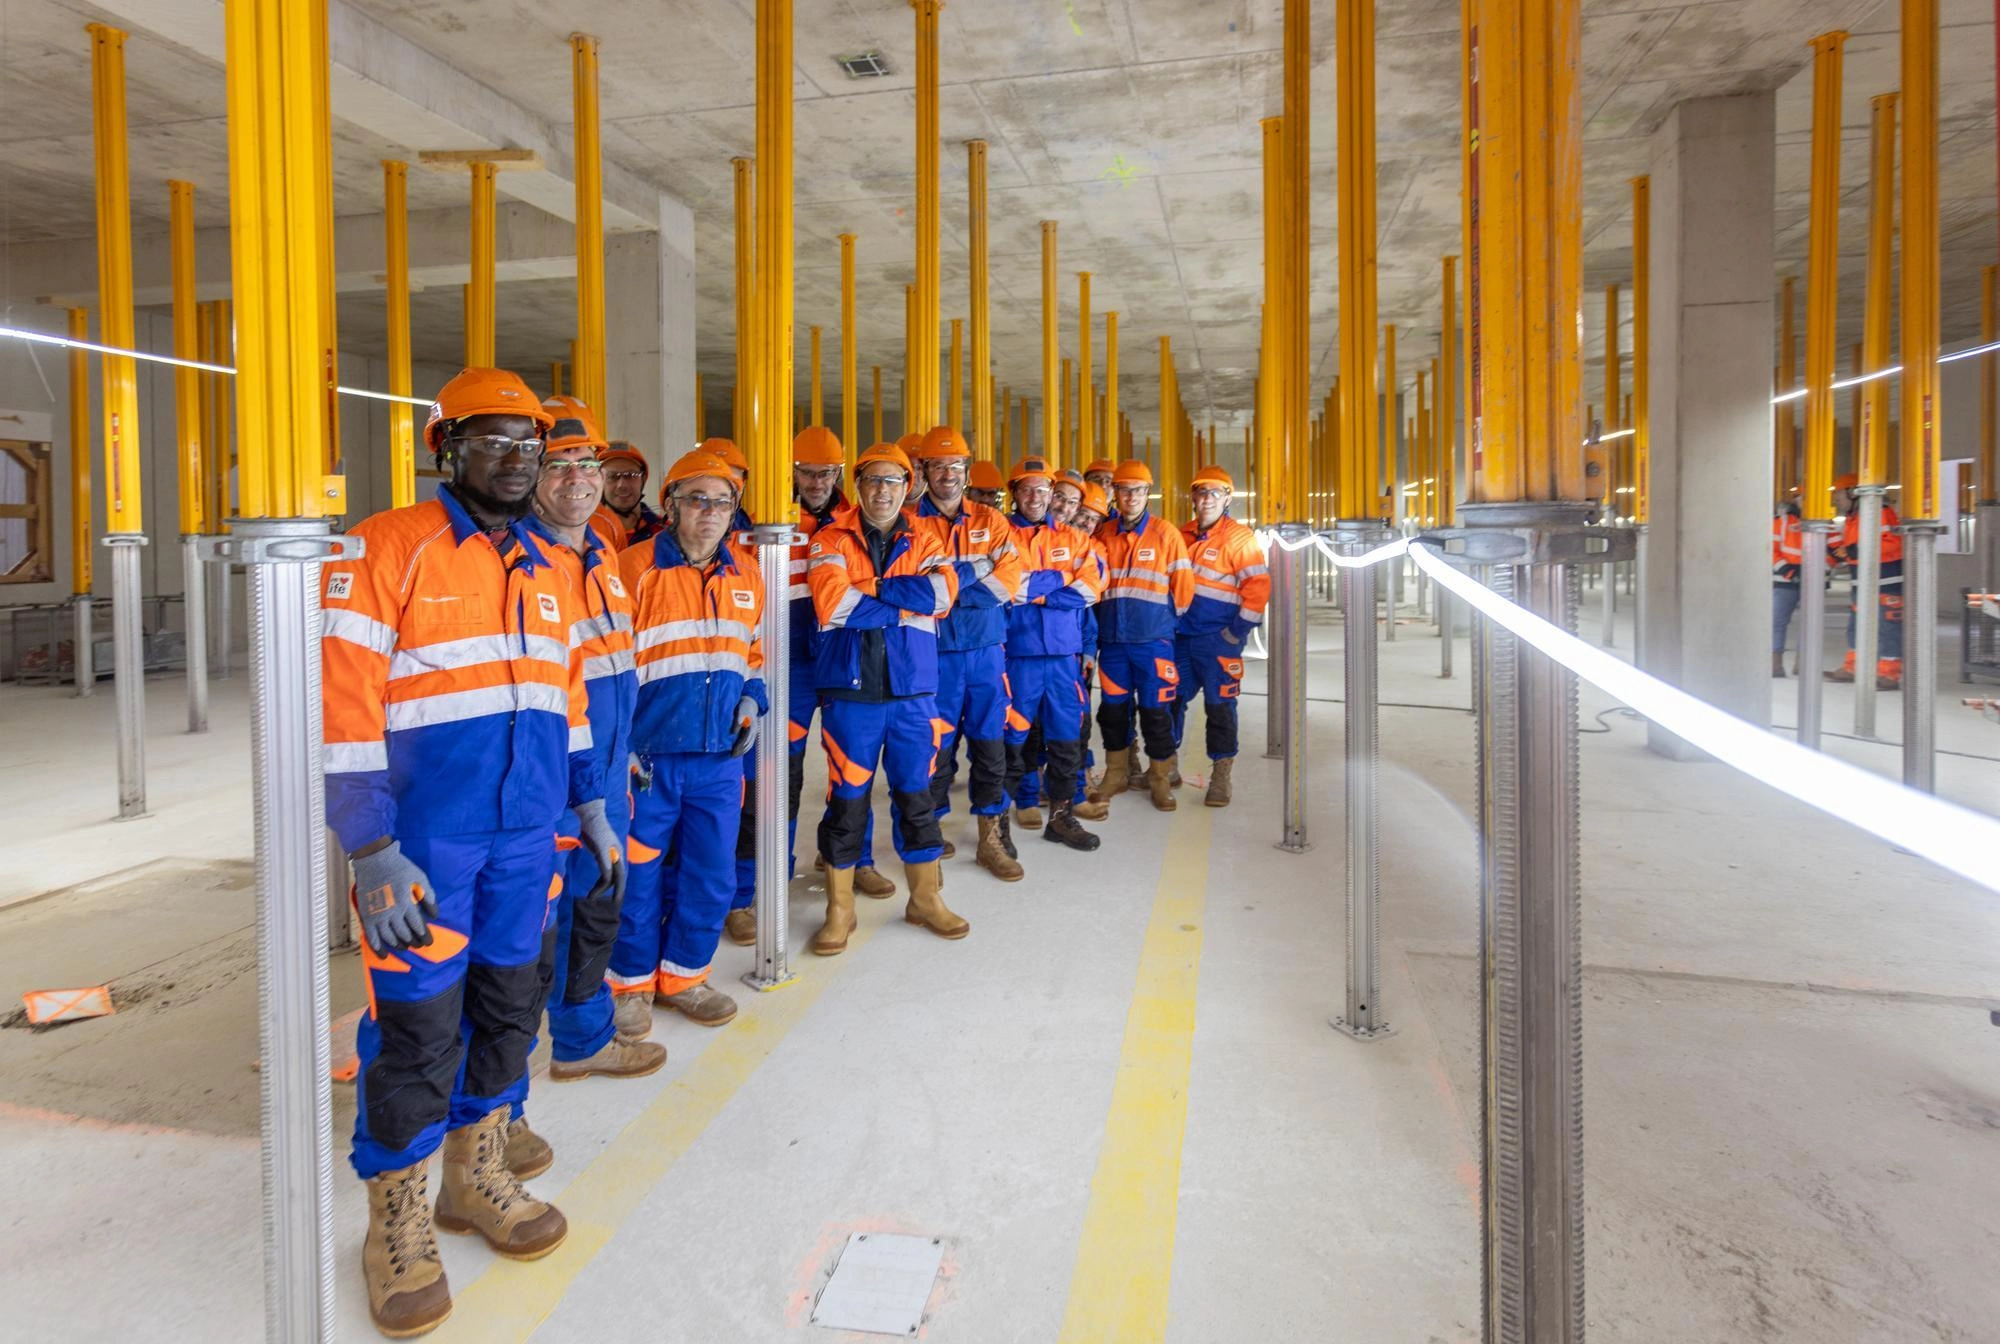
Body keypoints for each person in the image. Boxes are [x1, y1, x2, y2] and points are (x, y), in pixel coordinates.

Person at [323, 368, 617, 1335]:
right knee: (415, 1030)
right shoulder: (387, 546)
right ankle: (397, 1222)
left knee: (508, 1006)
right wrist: (369, 844)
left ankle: (475, 1175)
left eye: (529, 446)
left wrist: (589, 801)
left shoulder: (547, 564)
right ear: (444, 450)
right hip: (424, 849)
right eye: (491, 442)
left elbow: (568, 695)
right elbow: (341, 706)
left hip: (527, 838)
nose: (515, 461)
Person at [519, 399, 665, 1106]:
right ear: (530, 474)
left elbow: (613, 666)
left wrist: (624, 746)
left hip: (606, 770)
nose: (577, 478)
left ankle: (581, 1039)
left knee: (598, 902)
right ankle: (498, 1100)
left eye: (587, 463)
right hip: (543, 779)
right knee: (529, 935)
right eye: (559, 464)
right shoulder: (516, 558)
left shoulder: (602, 555)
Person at [611, 449, 768, 1033]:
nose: (710, 511)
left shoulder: (746, 575)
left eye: (722, 502)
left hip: (718, 759)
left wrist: (752, 697)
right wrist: (617, 743)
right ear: (671, 505)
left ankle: (685, 977)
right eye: (696, 499)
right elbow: (604, 667)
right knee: (638, 873)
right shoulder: (631, 570)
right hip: (646, 758)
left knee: (711, 872)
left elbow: (753, 652)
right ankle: (629, 985)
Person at [722, 426, 897, 948]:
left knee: (852, 766)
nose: (817, 482)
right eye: (807, 472)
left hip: (846, 659)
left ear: (840, 474)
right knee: (776, 773)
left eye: (826, 473)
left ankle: (853, 858)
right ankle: (752, 889)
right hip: (788, 665)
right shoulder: (768, 519)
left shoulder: (854, 520)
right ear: (791, 472)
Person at [804, 442, 969, 954]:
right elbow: (833, 604)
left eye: (892, 481)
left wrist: (870, 587)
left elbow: (941, 596)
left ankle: (926, 899)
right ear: (857, 486)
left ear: (907, 487)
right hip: (850, 694)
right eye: (872, 480)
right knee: (847, 803)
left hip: (912, 693)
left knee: (917, 799)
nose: (882, 490)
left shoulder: (926, 538)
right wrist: (902, 602)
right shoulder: (830, 538)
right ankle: (840, 909)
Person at [912, 425, 1027, 879]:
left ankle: (990, 838)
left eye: (955, 466)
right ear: (924, 470)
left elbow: (1009, 583)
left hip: (985, 651)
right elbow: (913, 590)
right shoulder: (909, 522)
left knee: (990, 744)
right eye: (938, 466)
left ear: (967, 469)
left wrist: (945, 590)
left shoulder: (991, 521)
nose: (947, 475)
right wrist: (977, 570)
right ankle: (929, 835)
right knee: (933, 748)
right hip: (931, 654)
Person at [1002, 456, 1103, 851]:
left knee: (1066, 740)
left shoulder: (1075, 539)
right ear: (1014, 493)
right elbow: (1007, 588)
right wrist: (1062, 579)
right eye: (1026, 489)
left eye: (1042, 489)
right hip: (1016, 656)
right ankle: (996, 826)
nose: (1035, 497)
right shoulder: (1000, 535)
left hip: (1063, 659)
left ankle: (1061, 818)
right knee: (1009, 741)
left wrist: (1036, 591)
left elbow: (1091, 588)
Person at [1092, 459, 1193, 811]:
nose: (1131, 496)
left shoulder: (1166, 534)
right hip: (1113, 644)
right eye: (1124, 490)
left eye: (1137, 490)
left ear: (1148, 493)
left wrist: (1164, 628)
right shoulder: (1103, 534)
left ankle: (1160, 778)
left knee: (1156, 712)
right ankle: (1116, 773)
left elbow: (1184, 589)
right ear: (1115, 493)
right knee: (1113, 711)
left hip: (1153, 643)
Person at [1174, 465, 1269, 807]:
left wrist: (1236, 632)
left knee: (1220, 707)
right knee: (1169, 701)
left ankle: (1221, 775)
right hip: (1181, 637)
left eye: (1216, 493)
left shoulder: (1240, 538)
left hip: (1218, 640)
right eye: (1202, 492)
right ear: (1193, 497)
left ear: (1227, 499)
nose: (1208, 499)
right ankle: (1167, 766)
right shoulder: (1181, 535)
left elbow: (1258, 588)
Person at [1826, 473, 1904, 689]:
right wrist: (1833, 559)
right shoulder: (1853, 519)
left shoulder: (1880, 513)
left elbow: (1894, 543)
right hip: (1861, 582)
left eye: (1839, 496)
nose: (1836, 501)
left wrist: (1855, 549)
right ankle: (1854, 667)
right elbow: (1849, 550)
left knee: (1888, 627)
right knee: (1856, 627)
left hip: (1886, 581)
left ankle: (1889, 674)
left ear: (1853, 492)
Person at [593, 439, 662, 546]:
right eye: (612, 476)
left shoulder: (664, 533)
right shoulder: (583, 533)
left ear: (643, 479)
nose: (622, 485)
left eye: (631, 475)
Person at [1772, 496, 1804, 678]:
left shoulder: (1822, 522)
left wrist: (1822, 569)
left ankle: (1802, 663)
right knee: (1777, 621)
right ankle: (1775, 664)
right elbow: (1772, 549)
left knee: (1809, 624)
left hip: (1812, 581)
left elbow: (1834, 549)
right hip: (1784, 580)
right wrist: (1788, 571)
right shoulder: (1782, 522)